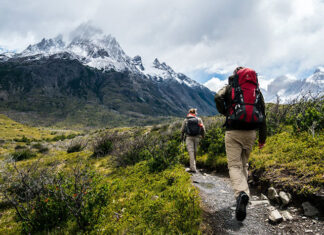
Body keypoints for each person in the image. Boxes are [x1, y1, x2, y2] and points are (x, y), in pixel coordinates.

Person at [214, 67, 267, 222]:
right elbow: (263, 114)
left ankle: (241, 194)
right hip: (251, 133)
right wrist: (262, 139)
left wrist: (226, 112)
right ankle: (245, 194)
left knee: (234, 166)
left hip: (233, 131)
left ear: (235, 75)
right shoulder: (256, 91)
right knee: (244, 165)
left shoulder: (231, 87)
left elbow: (218, 97)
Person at [181, 108, 205, 173]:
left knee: (190, 152)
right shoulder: (199, 119)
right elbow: (203, 128)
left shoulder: (186, 120)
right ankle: (194, 166)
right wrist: (203, 136)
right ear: (195, 113)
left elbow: (182, 130)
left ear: (189, 113)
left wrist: (182, 138)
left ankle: (193, 168)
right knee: (195, 151)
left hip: (189, 137)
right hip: (197, 137)